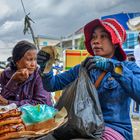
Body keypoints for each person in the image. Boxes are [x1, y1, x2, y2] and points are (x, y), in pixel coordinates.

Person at [37, 18, 140, 140]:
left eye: (103, 36)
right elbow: (52, 85)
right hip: (78, 125)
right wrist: (46, 67)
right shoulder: (84, 67)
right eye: (94, 37)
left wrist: (112, 66)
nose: (96, 41)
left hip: (113, 129)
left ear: (115, 42)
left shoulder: (128, 67)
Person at [0, 40, 52, 107]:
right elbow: (2, 100)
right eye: (29, 60)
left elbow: (40, 103)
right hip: (14, 115)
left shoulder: (40, 75)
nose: (33, 64)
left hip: (40, 116)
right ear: (17, 61)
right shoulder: (5, 74)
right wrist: (13, 81)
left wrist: (9, 103)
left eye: (35, 59)